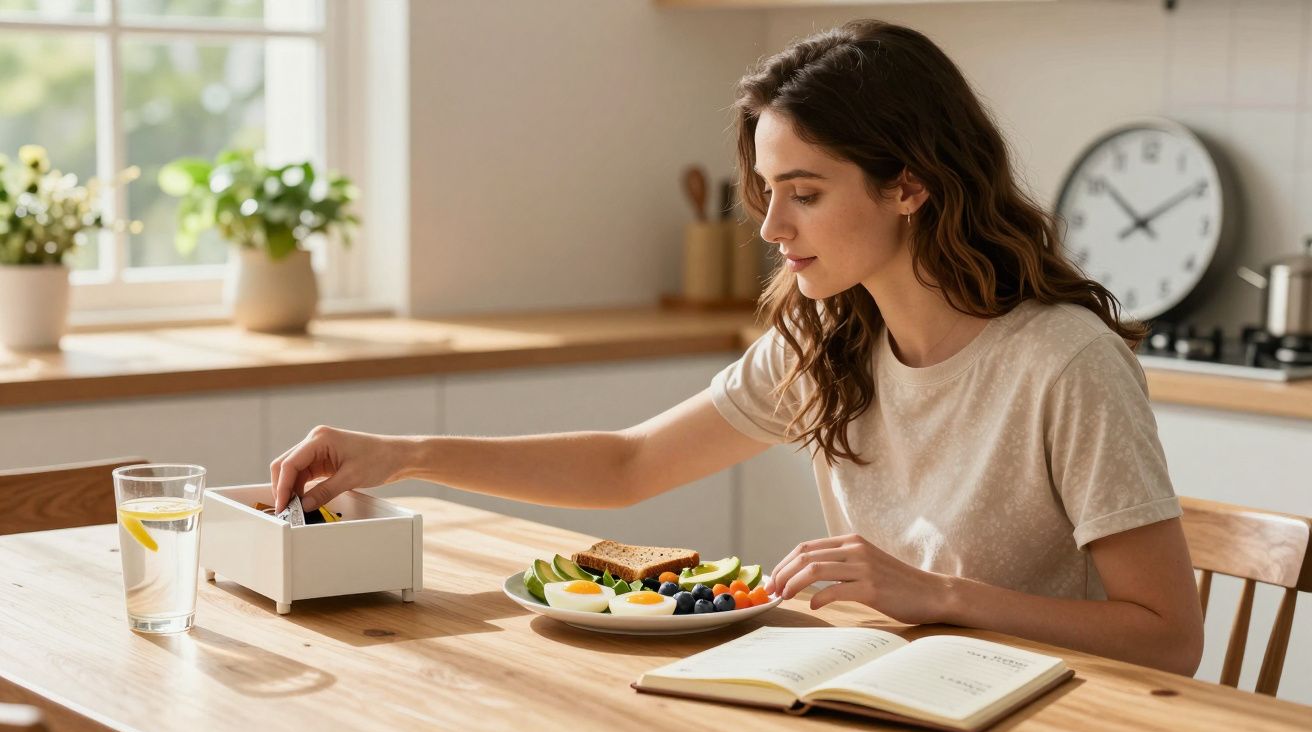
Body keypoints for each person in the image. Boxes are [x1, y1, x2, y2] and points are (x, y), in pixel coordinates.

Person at [270, 20, 1203, 676]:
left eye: (805, 191)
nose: (772, 226)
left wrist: (939, 595)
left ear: (909, 186)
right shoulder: (831, 338)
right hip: (883, 691)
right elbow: (632, 463)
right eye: (765, 189)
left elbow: (1167, 640)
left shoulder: (1062, 362)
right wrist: (409, 454)